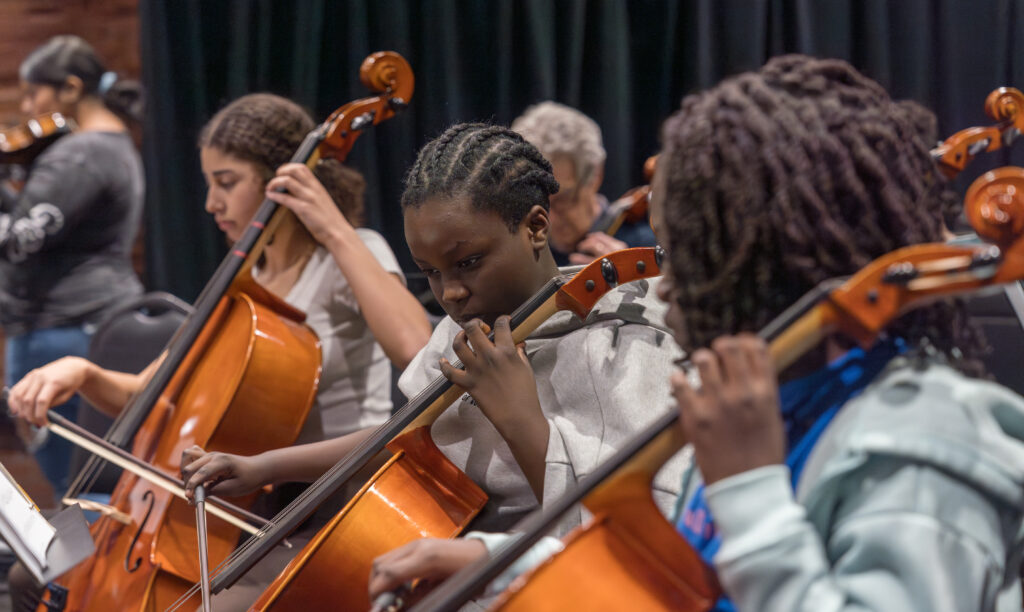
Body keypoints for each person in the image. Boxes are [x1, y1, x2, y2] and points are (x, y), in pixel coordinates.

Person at [181, 123, 682, 608]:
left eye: (467, 263)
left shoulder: (626, 339)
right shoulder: (466, 328)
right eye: (430, 273)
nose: (451, 294)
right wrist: (261, 466)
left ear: (535, 226)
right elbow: (411, 431)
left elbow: (627, 531)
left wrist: (518, 416)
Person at [6, 92, 433, 611]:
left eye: (226, 183)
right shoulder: (242, 281)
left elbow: (418, 348)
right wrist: (84, 372)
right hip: (231, 504)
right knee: (37, 571)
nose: (211, 203)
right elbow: (151, 393)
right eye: (210, 184)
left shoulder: (350, 252)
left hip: (315, 505)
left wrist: (331, 226)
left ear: (283, 178)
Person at [656, 55, 1024, 611]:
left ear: (763, 264)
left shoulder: (923, 448)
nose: (661, 289)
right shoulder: (759, 403)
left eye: (684, 258)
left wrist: (751, 498)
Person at [0, 35, 145, 494]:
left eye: (34, 92)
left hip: (62, 327)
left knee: (82, 484)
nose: (27, 106)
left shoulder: (80, 153)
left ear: (69, 89)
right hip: (87, 320)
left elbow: (18, 240)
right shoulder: (111, 144)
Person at [511, 101, 657, 266]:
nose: (549, 219)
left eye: (563, 200)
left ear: (596, 175)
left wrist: (628, 282)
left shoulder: (646, 249)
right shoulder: (524, 255)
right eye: (536, 202)